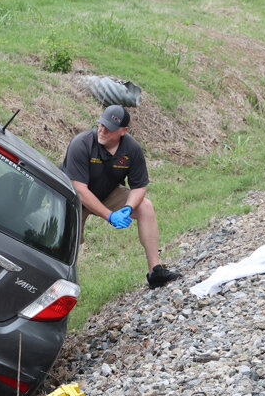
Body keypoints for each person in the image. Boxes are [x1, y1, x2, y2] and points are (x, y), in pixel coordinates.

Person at [61, 105, 182, 289]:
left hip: (106, 193)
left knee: (145, 207)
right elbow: (79, 189)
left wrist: (129, 207)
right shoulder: (82, 143)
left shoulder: (131, 149)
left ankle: (155, 271)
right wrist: (109, 215)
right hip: (73, 199)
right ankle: (60, 284)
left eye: (109, 128)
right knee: (66, 242)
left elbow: (140, 187)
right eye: (101, 125)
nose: (102, 130)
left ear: (123, 131)